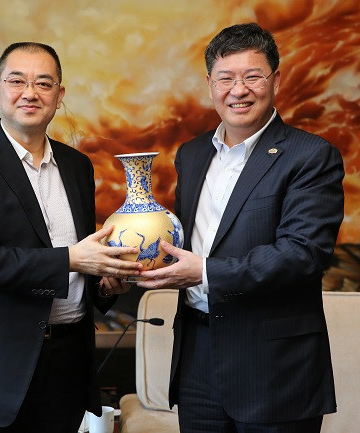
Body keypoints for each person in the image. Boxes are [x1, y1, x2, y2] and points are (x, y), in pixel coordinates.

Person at [0, 42, 141, 433]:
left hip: (65, 366)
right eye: (16, 81)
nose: (30, 93)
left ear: (59, 95)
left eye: (44, 83)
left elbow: (80, 261)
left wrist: (105, 283)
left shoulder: (76, 166)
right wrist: (72, 259)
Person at [137, 23, 344, 433]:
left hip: (274, 364)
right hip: (197, 356)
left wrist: (204, 271)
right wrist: (134, 264)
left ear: (276, 81)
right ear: (210, 85)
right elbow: (188, 240)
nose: (239, 90)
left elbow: (304, 253)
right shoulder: (192, 154)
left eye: (252, 77)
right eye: (225, 78)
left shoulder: (311, 156)